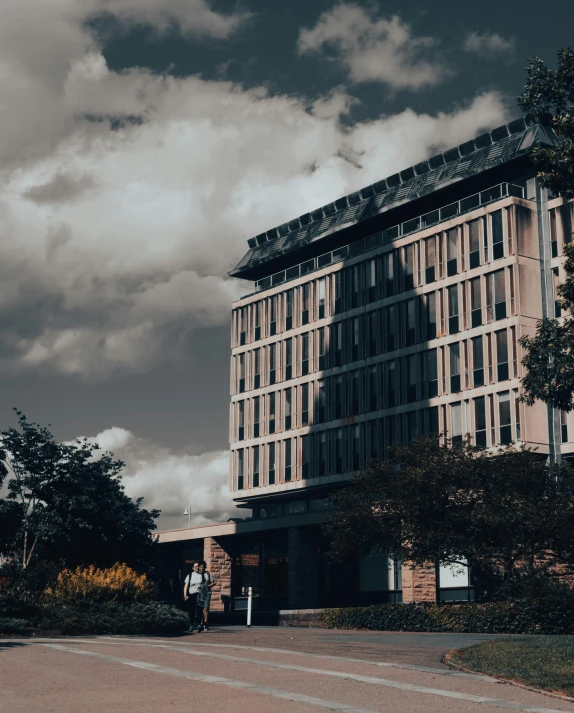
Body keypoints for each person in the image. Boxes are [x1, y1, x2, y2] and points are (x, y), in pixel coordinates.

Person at [183, 562, 203, 632]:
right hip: (191, 594)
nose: (197, 567)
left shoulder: (202, 575)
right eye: (195, 566)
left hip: (199, 594)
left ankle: (199, 624)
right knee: (191, 610)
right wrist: (185, 594)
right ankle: (191, 625)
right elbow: (186, 586)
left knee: (198, 610)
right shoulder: (190, 575)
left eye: (198, 566)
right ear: (193, 568)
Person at [196, 560, 215, 632]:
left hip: (207, 593)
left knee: (206, 608)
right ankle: (201, 623)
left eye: (203, 567)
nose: (202, 568)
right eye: (200, 567)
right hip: (199, 593)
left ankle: (206, 622)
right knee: (200, 608)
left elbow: (213, 583)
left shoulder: (208, 574)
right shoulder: (196, 574)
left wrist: (206, 586)